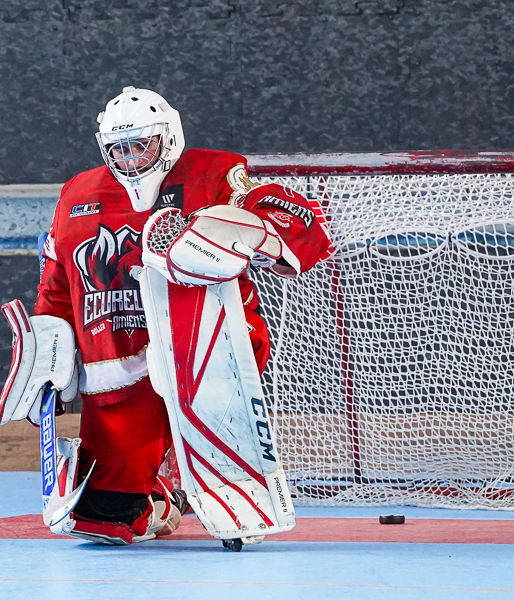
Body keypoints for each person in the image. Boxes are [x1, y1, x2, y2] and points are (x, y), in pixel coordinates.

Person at [27, 86, 332, 544]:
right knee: (103, 519)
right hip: (116, 367)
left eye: (140, 145)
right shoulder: (78, 193)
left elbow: (289, 220)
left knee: (222, 467)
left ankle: (202, 474)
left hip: (206, 351)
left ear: (166, 139)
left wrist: (252, 230)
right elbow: (56, 288)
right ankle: (166, 488)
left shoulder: (212, 172)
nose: (129, 158)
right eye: (118, 149)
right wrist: (44, 355)